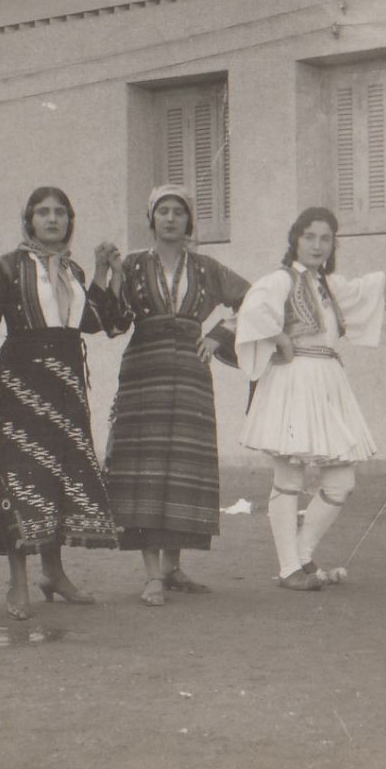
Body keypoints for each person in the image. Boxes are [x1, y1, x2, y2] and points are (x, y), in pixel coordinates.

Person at [0, 187, 121, 619]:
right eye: (42, 213)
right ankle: (18, 583)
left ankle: (54, 573)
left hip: (66, 384)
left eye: (60, 213)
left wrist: (104, 272)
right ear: (28, 221)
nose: (52, 219)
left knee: (59, 478)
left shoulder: (74, 271)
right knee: (21, 478)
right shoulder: (12, 266)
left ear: (70, 221)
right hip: (22, 382)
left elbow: (94, 323)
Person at [90, 185, 250, 607]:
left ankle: (172, 567)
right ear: (151, 219)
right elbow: (112, 324)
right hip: (145, 370)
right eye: (163, 211)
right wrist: (106, 276)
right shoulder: (133, 265)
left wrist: (218, 335)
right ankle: (150, 575)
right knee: (146, 467)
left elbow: (256, 299)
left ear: (189, 221)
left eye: (179, 211)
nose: (171, 218)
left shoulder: (206, 267)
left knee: (182, 464)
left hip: (191, 370)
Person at [236, 207, 386, 590]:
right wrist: (277, 337)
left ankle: (301, 555)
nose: (317, 245)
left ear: (333, 244)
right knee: (289, 478)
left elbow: (365, 289)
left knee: (341, 482)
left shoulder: (328, 286)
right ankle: (288, 568)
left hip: (328, 383)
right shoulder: (281, 280)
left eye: (325, 238)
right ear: (295, 239)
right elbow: (253, 309)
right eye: (310, 237)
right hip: (293, 381)